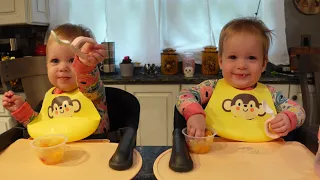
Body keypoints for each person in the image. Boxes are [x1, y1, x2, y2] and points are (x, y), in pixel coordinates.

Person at [176, 17, 306, 141]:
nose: (241, 66)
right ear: (221, 62)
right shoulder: (211, 87)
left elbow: (299, 111)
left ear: (263, 64)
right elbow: (184, 96)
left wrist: (287, 118)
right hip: (216, 153)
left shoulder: (271, 95)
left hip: (263, 157)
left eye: (251, 58)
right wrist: (195, 114)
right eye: (233, 57)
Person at [2, 23, 109, 138]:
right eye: (55, 61)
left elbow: (87, 78)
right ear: (46, 66)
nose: (62, 67)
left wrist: (85, 66)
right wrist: (22, 110)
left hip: (94, 148)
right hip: (58, 152)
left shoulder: (92, 91)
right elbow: (42, 126)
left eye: (73, 60)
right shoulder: (50, 96)